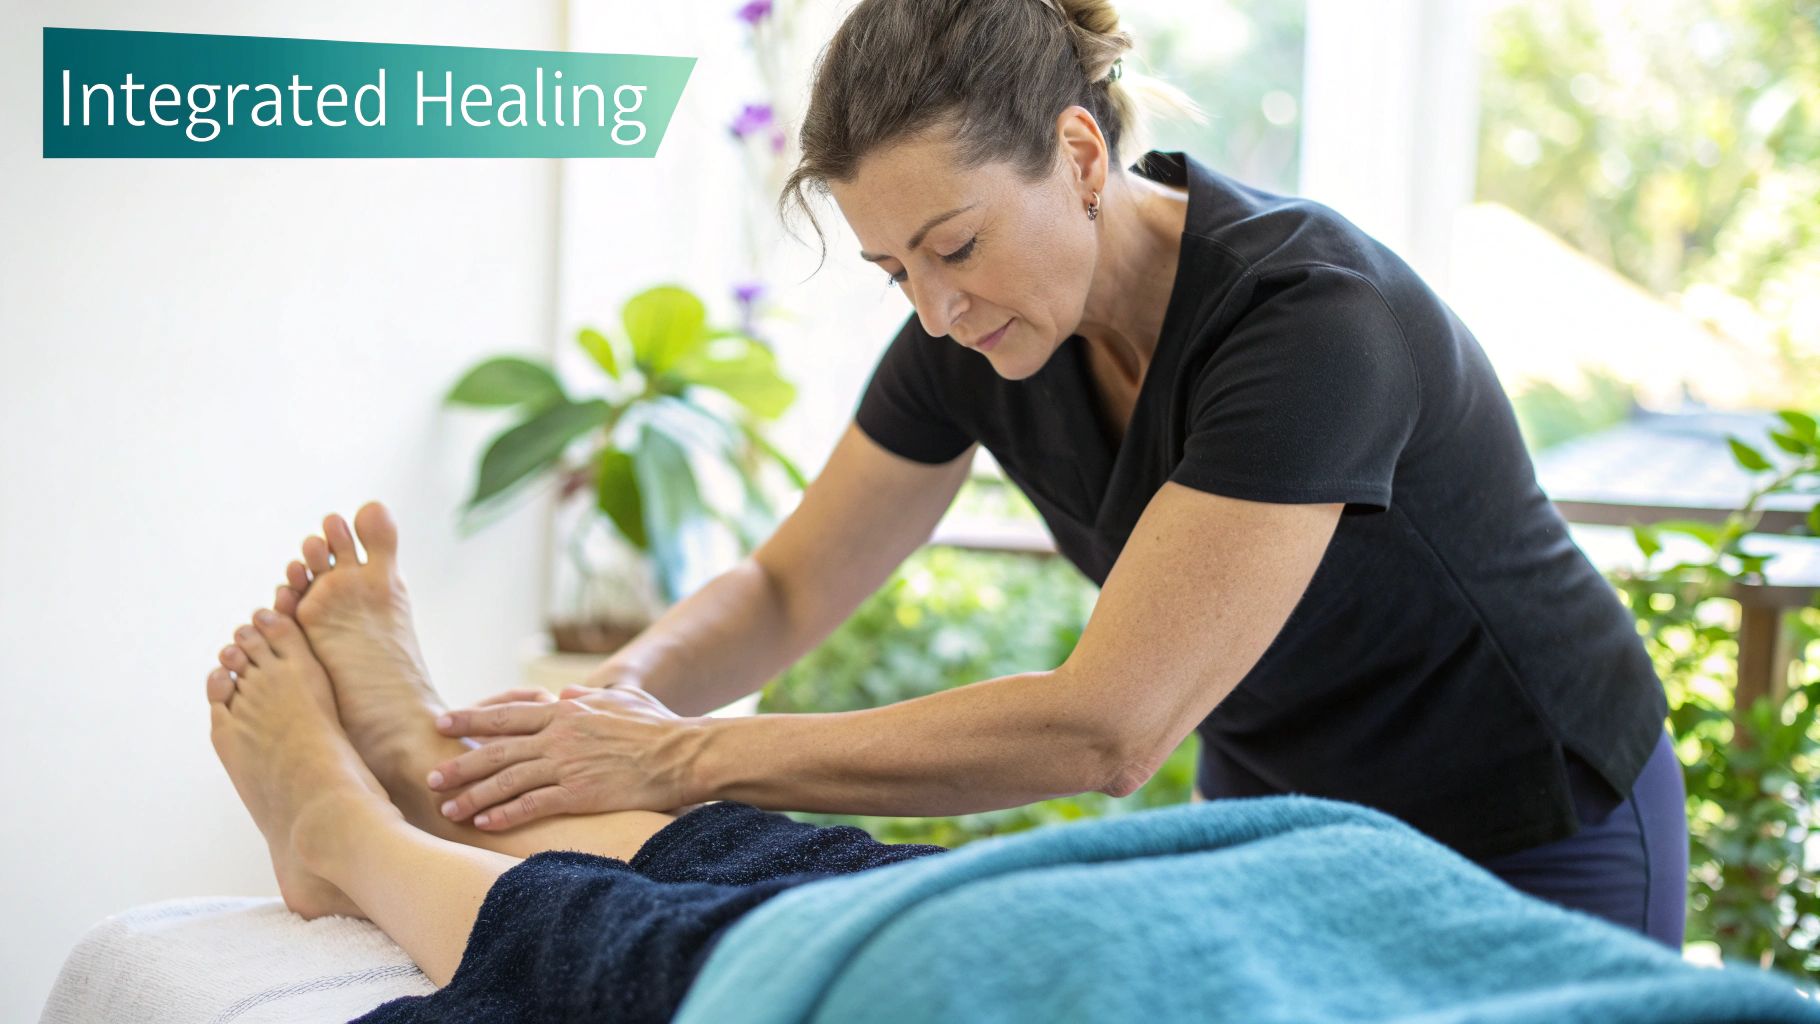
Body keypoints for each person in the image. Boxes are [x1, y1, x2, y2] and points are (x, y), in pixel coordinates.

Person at [204, 0, 1690, 1013]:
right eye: (892, 270)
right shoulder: (976, 332)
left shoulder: (1313, 324)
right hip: (1285, 820)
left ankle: (404, 801)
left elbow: (1107, 728)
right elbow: (787, 591)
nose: (932, 306)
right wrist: (608, 713)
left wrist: (684, 758)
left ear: (1082, 154)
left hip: (1529, 827)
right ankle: (440, 783)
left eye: (954, 246)